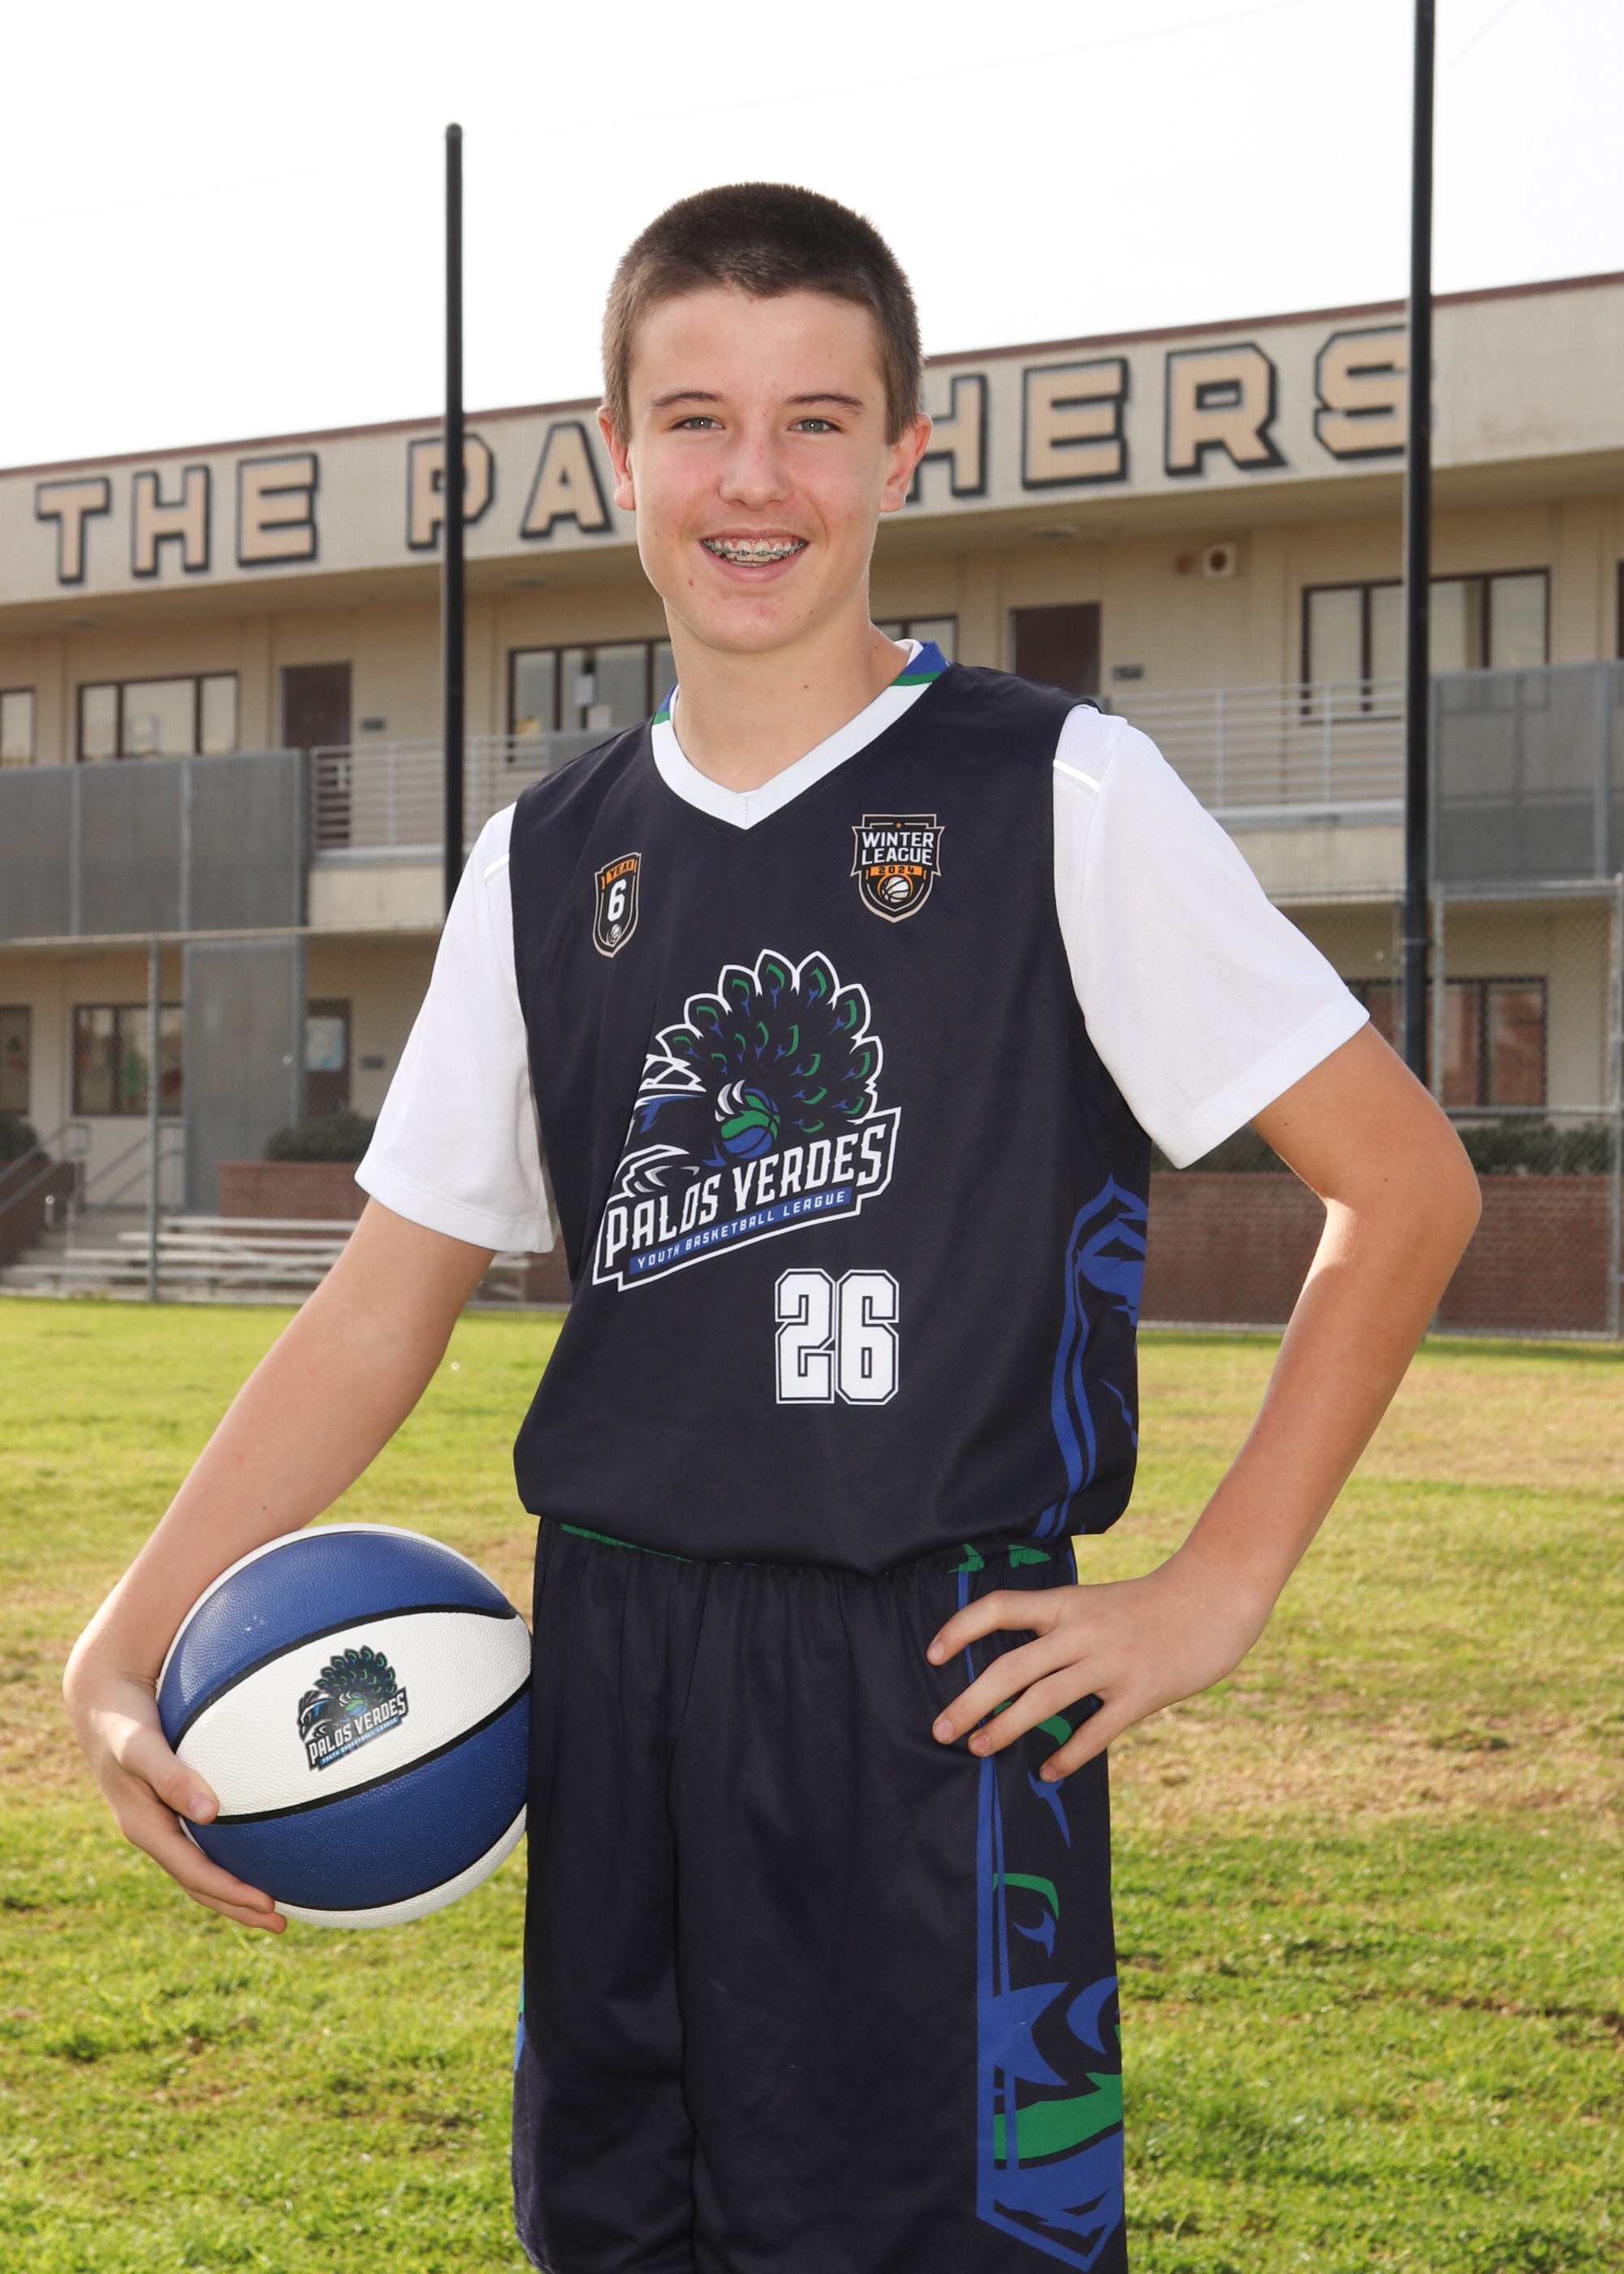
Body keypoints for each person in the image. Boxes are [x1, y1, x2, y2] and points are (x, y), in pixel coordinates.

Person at [65, 184, 1480, 2274]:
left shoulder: (1056, 789)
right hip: (615, 1668)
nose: (755, 478)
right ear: (612, 456)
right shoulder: (545, 858)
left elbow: (1405, 1182)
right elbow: (382, 1304)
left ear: (904, 451)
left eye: (816, 420)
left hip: (930, 1684)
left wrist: (1214, 1590)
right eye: (697, 419)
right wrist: (124, 1633)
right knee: (616, 2227)